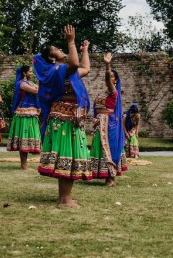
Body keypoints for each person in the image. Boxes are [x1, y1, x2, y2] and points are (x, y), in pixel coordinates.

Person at [34, 25, 92, 208]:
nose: (60, 50)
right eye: (56, 49)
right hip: (65, 119)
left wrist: (84, 51)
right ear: (51, 57)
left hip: (65, 118)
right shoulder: (56, 71)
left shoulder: (63, 71)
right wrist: (70, 42)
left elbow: (85, 68)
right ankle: (66, 200)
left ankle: (63, 197)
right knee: (68, 155)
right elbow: (75, 65)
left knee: (64, 157)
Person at [89, 53, 127, 186]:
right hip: (101, 123)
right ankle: (104, 174)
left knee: (110, 149)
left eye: (112, 76)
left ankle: (111, 178)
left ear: (115, 80)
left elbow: (106, 79)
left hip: (109, 124)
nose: (110, 78)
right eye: (109, 75)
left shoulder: (113, 91)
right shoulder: (102, 93)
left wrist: (107, 65)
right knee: (101, 149)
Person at [7, 65, 41, 169]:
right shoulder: (22, 84)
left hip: (31, 113)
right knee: (23, 139)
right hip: (23, 113)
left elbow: (38, 88)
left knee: (29, 139)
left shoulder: (29, 83)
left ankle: (25, 164)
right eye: (30, 72)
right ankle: (23, 165)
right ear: (24, 73)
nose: (32, 73)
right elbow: (36, 91)